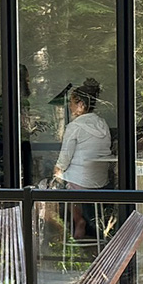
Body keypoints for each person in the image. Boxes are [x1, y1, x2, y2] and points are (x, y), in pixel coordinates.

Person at [53, 77, 112, 239]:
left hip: (81, 184)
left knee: (57, 183)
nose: (69, 107)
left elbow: (64, 157)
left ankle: (76, 221)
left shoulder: (75, 127)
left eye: (72, 103)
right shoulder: (103, 124)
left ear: (81, 105)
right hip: (100, 182)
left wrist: (56, 171)